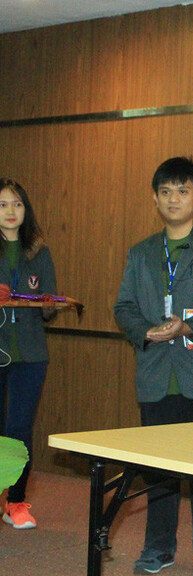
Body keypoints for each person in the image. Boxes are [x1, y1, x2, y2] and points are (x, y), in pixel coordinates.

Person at [114, 157, 193, 576]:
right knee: (159, 473)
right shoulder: (141, 252)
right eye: (165, 191)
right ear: (155, 198)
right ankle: (158, 547)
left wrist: (189, 325)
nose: (173, 199)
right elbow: (124, 306)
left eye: (183, 191)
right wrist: (145, 331)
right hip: (156, 377)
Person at [0, 178, 56, 531]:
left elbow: (49, 308)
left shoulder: (38, 251)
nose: (11, 211)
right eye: (3, 204)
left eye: (17, 204)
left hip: (31, 354)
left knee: (19, 430)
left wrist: (49, 302)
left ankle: (16, 503)